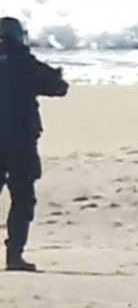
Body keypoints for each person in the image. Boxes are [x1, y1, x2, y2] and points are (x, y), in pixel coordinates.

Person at [0, 16, 69, 271]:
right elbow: (59, 87)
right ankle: (14, 255)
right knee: (22, 200)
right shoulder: (25, 63)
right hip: (21, 144)